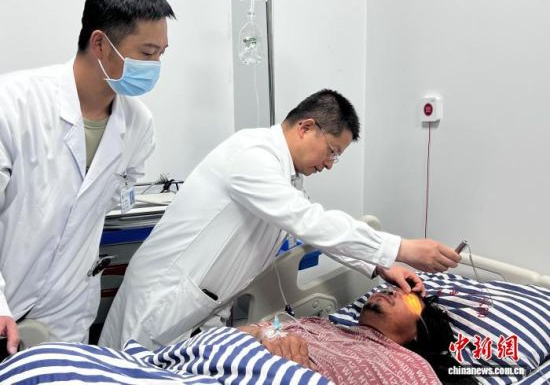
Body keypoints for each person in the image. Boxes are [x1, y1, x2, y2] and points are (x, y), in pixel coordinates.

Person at [99, 89, 461, 350]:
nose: (330, 164)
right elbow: (307, 220)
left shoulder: (284, 175)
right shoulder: (252, 155)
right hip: (161, 299)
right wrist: (401, 248)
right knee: (121, 373)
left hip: (196, 305)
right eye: (332, 151)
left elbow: (313, 230)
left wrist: (379, 266)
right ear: (306, 127)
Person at [0, 0, 175, 354]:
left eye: (162, 53)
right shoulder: (13, 104)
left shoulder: (138, 124)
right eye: (147, 53)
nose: (156, 65)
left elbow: (112, 197)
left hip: (67, 312)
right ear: (100, 44)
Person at [240, 288, 475, 384]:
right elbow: (240, 332)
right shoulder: (318, 324)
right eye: (391, 288)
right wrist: (265, 335)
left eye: (409, 300)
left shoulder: (412, 369)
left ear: (419, 333)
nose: (391, 291)